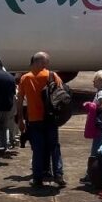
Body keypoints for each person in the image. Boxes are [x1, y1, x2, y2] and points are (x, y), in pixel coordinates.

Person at [16, 52, 65, 188]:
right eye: (45, 62)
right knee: (54, 147)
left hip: (34, 119)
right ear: (39, 62)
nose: (47, 64)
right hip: (50, 118)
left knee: (38, 149)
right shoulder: (52, 75)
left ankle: (38, 178)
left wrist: (20, 119)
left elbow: (19, 101)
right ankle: (58, 175)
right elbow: (62, 95)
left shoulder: (25, 78)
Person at [80, 71, 102, 185]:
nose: (93, 81)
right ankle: (98, 174)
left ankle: (91, 176)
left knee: (95, 151)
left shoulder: (101, 93)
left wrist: (93, 110)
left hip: (100, 126)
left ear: (100, 81)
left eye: (95, 79)